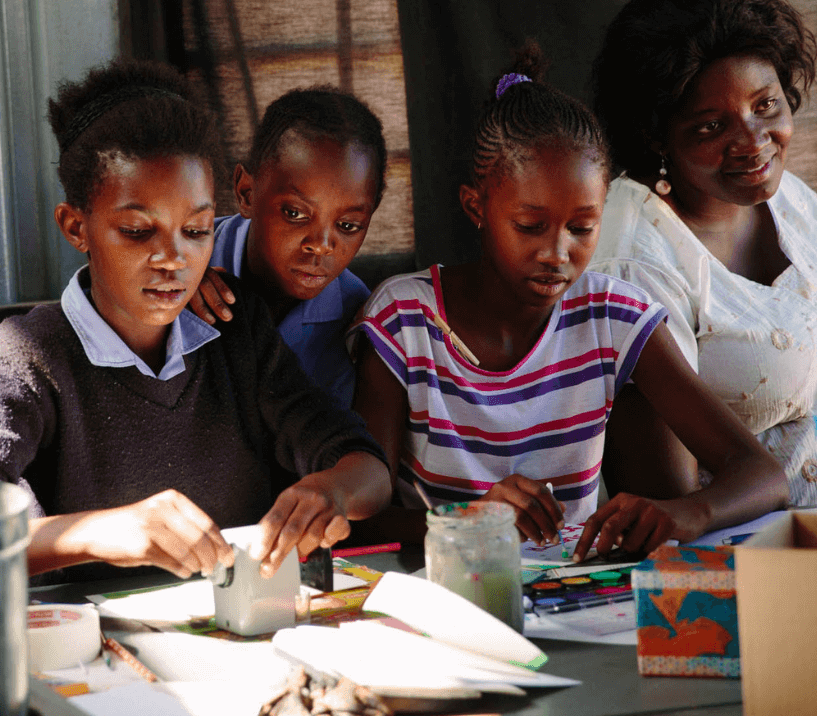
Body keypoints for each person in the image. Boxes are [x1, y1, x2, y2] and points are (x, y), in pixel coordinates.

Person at [350, 43, 788, 560]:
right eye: (530, 227)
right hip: (447, 599)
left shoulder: (613, 318)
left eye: (583, 227)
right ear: (477, 206)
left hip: (579, 597)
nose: (557, 254)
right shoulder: (405, 321)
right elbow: (360, 519)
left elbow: (762, 475)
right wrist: (472, 522)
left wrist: (685, 512)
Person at [0, 60, 391, 582]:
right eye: (138, 231)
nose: (173, 258)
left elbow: (367, 468)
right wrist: (102, 532)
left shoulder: (236, 332)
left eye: (197, 230)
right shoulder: (29, 354)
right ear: (76, 226)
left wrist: (332, 491)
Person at [590, 0, 817, 506]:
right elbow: (667, 508)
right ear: (655, 135)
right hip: (744, 560)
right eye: (711, 127)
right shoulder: (633, 261)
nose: (754, 143)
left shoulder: (794, 203)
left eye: (765, 106)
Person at [190, 87, 386, 413]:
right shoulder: (181, 259)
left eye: (348, 225)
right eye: (295, 213)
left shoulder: (358, 322)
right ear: (247, 193)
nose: (321, 245)